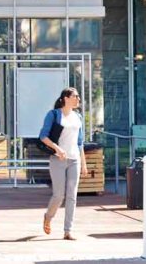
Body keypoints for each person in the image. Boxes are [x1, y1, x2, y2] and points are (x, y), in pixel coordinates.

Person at [39, 87, 88, 239]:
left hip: (74, 159)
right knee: (59, 195)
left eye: (78, 97)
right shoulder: (54, 115)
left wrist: (84, 163)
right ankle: (48, 216)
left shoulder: (78, 117)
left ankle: (68, 230)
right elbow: (43, 136)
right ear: (66, 98)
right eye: (75, 96)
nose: (78, 99)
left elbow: (80, 142)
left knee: (72, 195)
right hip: (58, 159)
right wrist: (57, 149)